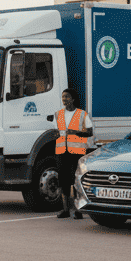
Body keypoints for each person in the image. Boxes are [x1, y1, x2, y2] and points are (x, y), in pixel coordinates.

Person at [55, 88, 94, 219]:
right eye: (63, 97)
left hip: (77, 152)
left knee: (76, 180)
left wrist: (75, 132)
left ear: (73, 99)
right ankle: (65, 209)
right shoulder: (58, 114)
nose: (64, 99)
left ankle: (78, 210)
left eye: (66, 97)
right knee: (63, 180)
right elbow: (56, 131)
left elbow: (90, 132)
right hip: (61, 151)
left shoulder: (82, 114)